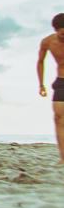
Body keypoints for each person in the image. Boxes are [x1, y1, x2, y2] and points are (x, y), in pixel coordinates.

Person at [37, 13, 64, 166]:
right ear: (56, 30)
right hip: (61, 82)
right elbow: (41, 61)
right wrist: (41, 84)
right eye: (62, 34)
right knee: (59, 119)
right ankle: (63, 157)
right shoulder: (47, 42)